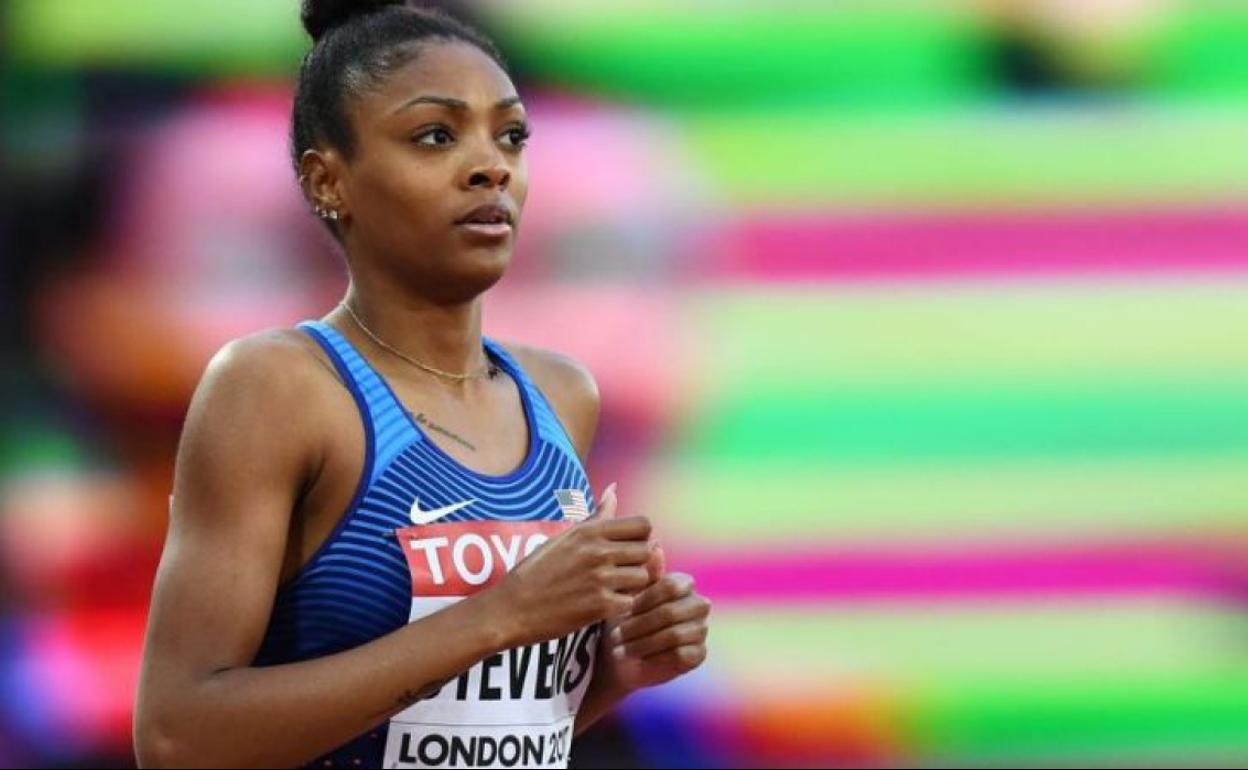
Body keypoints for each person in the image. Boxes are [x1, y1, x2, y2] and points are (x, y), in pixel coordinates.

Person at [132, 2, 711, 767]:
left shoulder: (561, 395)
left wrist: (615, 674)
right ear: (328, 180)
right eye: (436, 135)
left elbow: (477, 735)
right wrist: (503, 615)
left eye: (510, 136)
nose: (490, 166)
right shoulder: (278, 388)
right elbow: (177, 736)